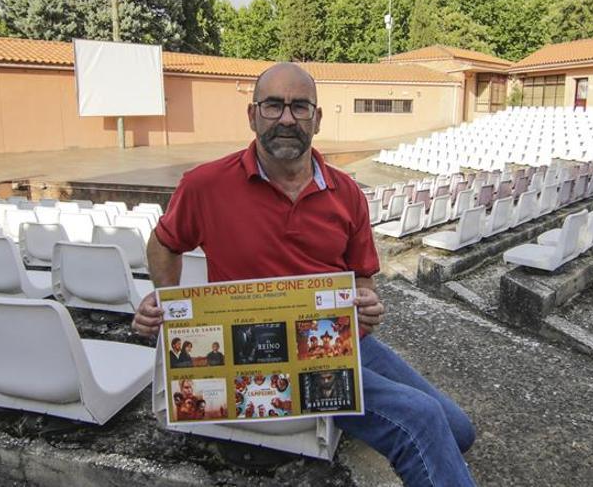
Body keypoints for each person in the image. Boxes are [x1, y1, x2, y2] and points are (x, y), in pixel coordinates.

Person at [133, 63, 476, 486]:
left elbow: (360, 278)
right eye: (273, 105)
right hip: (263, 356)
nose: (286, 118)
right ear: (253, 114)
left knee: (459, 430)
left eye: (299, 107)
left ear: (316, 118)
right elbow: (164, 242)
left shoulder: (346, 192)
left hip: (335, 343)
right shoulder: (205, 186)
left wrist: (364, 304)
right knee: (421, 421)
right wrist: (166, 303)